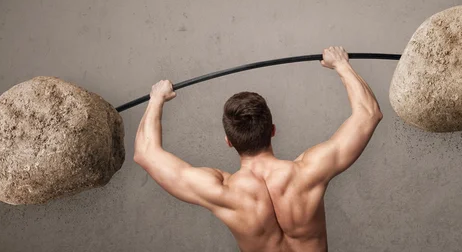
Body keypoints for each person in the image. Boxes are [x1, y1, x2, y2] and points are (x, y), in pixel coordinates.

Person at [134, 46, 383, 252]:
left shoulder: (221, 193)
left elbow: (145, 153)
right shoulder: (308, 173)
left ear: (229, 141)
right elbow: (368, 114)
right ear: (272, 130)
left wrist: (156, 99)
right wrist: (341, 64)